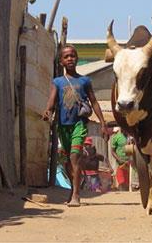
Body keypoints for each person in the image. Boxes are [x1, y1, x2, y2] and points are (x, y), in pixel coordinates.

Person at [42, 45, 108, 207]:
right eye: (66, 57)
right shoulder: (57, 82)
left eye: (72, 55)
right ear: (61, 61)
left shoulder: (84, 81)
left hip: (79, 124)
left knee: (74, 157)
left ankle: (76, 195)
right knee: (67, 162)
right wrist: (47, 111)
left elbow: (94, 102)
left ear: (77, 58)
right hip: (63, 126)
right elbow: (52, 99)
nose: (70, 58)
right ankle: (73, 188)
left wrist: (102, 123)